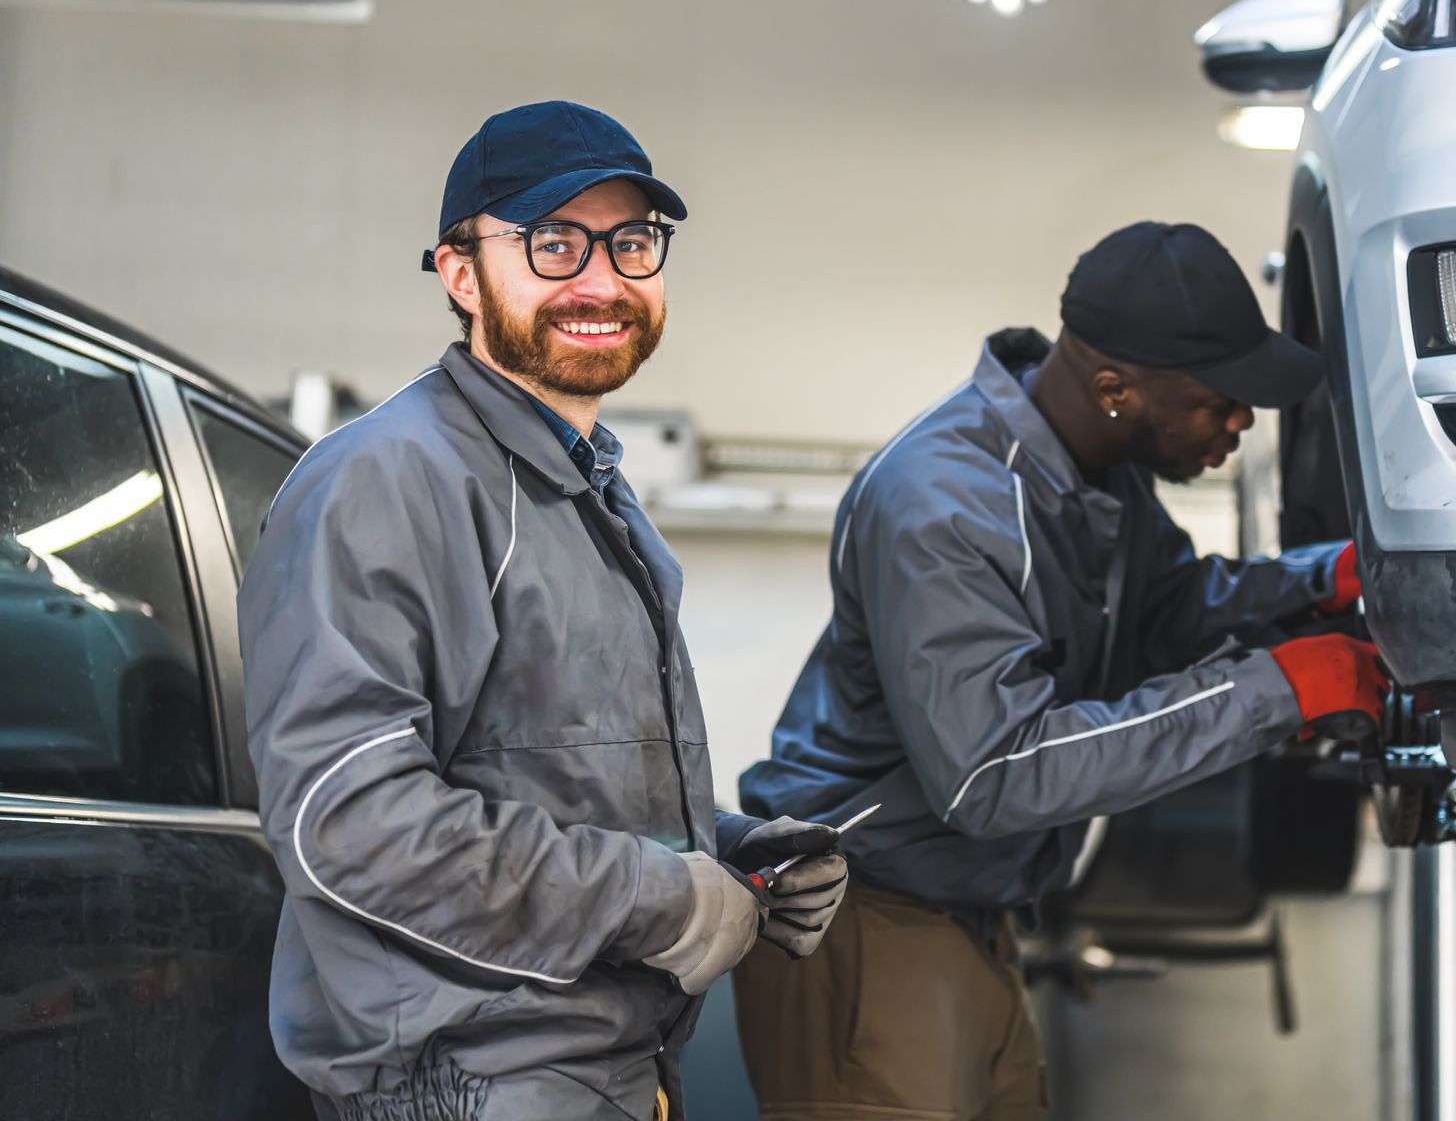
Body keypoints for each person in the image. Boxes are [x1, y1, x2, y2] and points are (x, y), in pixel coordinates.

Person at [242, 101, 849, 1121]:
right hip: (470, 1082)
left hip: (598, 1069)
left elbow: (540, 773)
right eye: (553, 243)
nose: (602, 280)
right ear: (460, 271)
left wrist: (727, 850)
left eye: (633, 242)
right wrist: (663, 896)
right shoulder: (391, 479)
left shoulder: (581, 488)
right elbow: (346, 818)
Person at [735, 220, 1385, 1121]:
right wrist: (1283, 690)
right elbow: (999, 773)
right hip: (864, 924)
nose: (1242, 420)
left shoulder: (1100, 473)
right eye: (1221, 399)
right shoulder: (945, 505)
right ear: (1116, 387)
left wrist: (1329, 579)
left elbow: (1169, 610)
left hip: (971, 920)